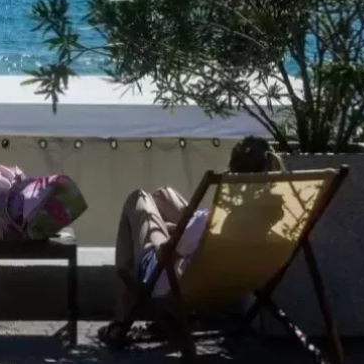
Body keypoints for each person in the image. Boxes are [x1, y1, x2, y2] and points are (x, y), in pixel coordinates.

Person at [98, 135, 286, 349]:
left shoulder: (216, 221)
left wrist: (167, 232)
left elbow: (167, 253)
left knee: (138, 198)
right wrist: (179, 230)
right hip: (230, 277)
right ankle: (161, 321)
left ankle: (120, 321)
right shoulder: (273, 214)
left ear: (233, 174)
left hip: (167, 278)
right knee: (163, 195)